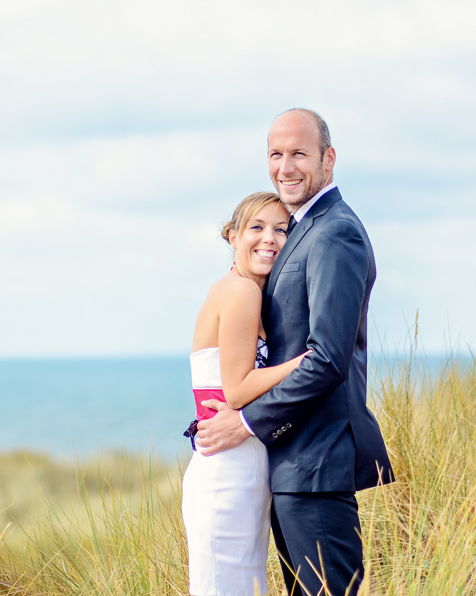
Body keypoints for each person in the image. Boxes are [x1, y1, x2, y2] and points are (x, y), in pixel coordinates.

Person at [196, 109, 394, 596]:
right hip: (288, 468)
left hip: (317, 466)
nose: (285, 167)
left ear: (328, 159)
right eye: (275, 154)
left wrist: (244, 421)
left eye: (299, 154)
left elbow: (326, 358)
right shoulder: (299, 230)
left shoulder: (334, 232)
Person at [182, 191, 311, 596]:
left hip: (242, 465)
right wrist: (304, 362)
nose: (269, 238)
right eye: (257, 227)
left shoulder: (251, 293)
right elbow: (236, 390)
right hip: (227, 474)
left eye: (281, 229)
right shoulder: (241, 291)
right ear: (232, 237)